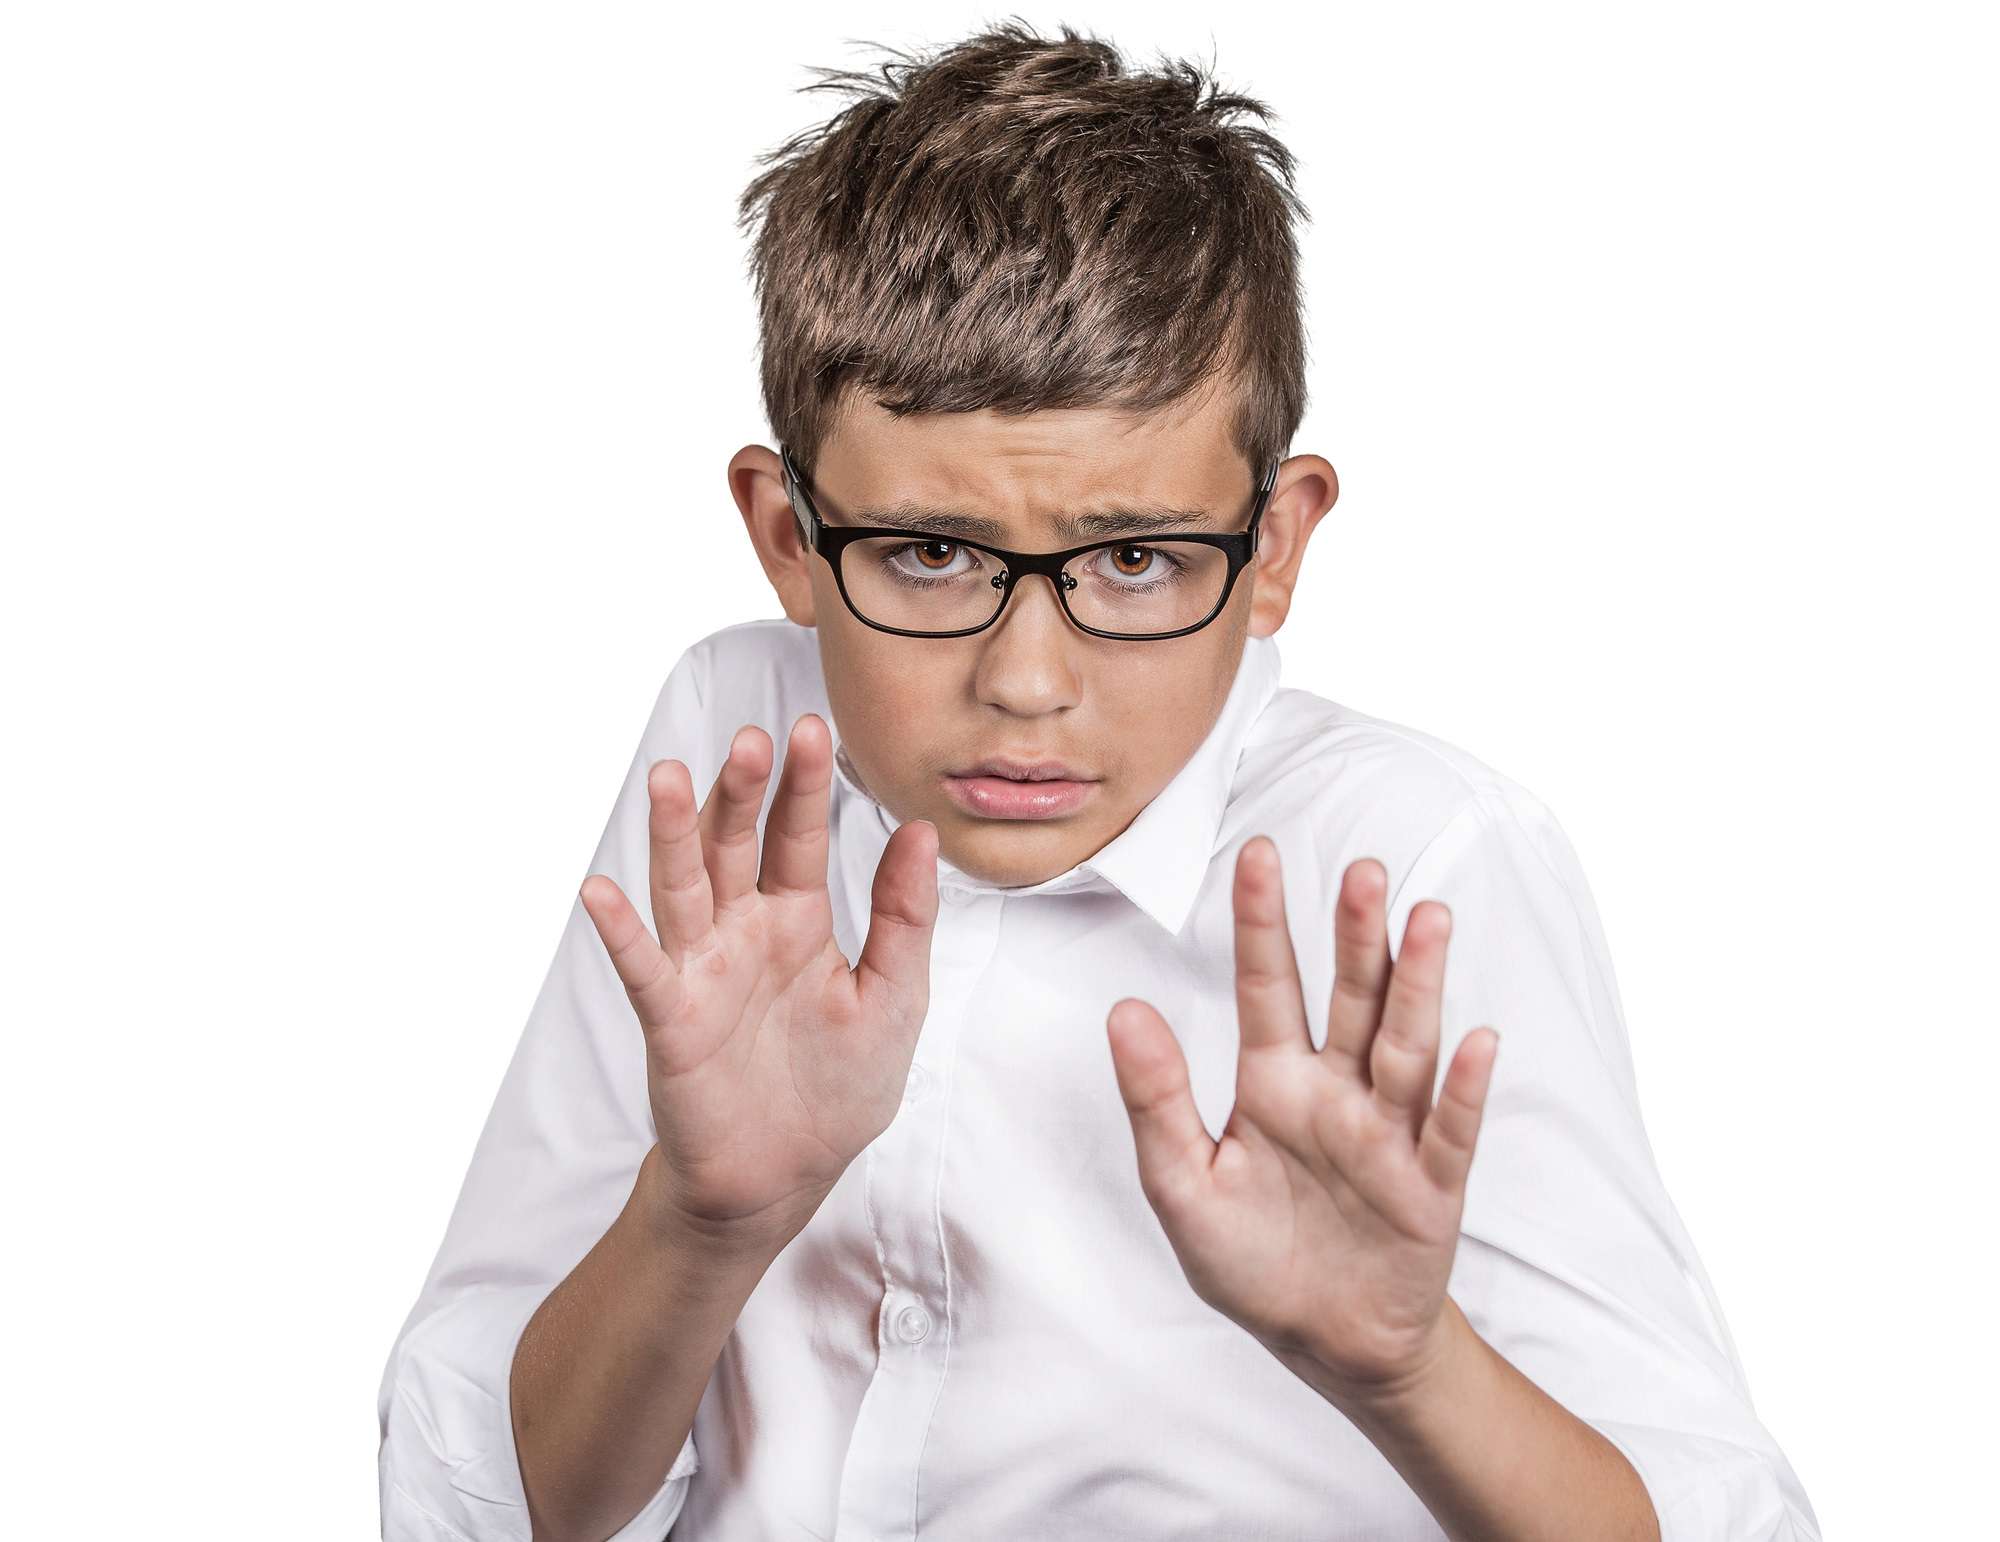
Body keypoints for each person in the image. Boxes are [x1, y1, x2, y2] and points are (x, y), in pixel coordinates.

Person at [376, 22, 1819, 1542]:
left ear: (1275, 550)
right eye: (929, 554)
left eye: (1135, 559)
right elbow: (490, 1506)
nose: (1026, 680)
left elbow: (1730, 1520)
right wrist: (700, 1217)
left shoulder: (1415, 863)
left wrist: (1409, 1366)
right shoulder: (742, 744)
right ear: (788, 535)